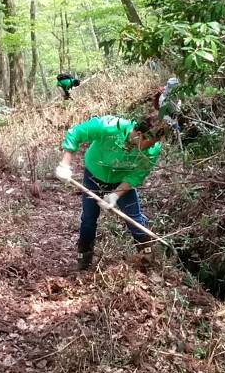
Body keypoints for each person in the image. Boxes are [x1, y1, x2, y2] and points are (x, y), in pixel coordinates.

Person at [54, 114, 165, 270]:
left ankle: (148, 261)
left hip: (121, 181)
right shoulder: (109, 126)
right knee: (88, 218)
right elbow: (76, 132)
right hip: (94, 175)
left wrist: (116, 194)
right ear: (139, 134)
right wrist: (65, 164)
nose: (149, 148)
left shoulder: (153, 148)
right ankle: (84, 259)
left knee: (134, 218)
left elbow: (137, 174)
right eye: (148, 143)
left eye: (153, 144)